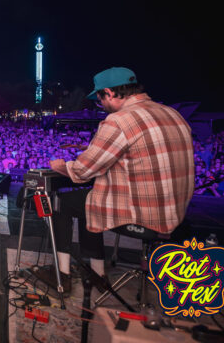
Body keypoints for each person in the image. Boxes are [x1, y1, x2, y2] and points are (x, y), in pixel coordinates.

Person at [34, 67, 195, 295]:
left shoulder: (119, 120)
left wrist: (60, 165)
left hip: (144, 214)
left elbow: (83, 170)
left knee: (60, 201)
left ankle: (62, 275)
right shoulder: (172, 114)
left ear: (109, 93)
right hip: (176, 213)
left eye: (100, 99)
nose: (101, 105)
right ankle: (97, 274)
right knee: (89, 200)